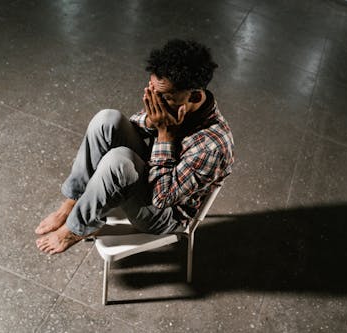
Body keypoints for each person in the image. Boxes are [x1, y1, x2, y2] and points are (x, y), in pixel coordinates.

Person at [35, 39, 234, 255]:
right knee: (107, 120)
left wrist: (165, 135)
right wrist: (152, 122)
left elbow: (162, 198)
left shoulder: (212, 146)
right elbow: (133, 125)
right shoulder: (173, 102)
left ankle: (76, 229)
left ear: (194, 96)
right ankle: (72, 202)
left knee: (119, 162)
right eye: (153, 93)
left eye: (164, 98)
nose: (155, 102)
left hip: (165, 213)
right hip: (152, 175)